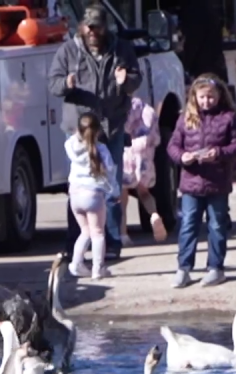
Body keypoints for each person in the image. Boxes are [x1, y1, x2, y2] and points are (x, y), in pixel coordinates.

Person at [48, 4, 142, 258]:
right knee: (79, 184)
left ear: (105, 27)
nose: (92, 31)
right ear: (82, 27)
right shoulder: (68, 50)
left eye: (97, 26)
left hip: (111, 126)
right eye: (88, 27)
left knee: (110, 185)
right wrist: (65, 84)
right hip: (80, 130)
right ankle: (74, 243)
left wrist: (127, 81)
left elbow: (136, 77)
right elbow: (52, 84)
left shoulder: (121, 48)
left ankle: (111, 243)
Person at [167, 75, 236, 288]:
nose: (206, 101)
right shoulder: (185, 118)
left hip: (217, 182)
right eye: (202, 97)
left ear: (219, 96)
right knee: (188, 225)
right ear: (194, 97)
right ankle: (184, 268)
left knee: (217, 225)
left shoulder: (228, 118)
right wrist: (182, 157)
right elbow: (173, 146)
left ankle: (216, 268)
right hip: (191, 182)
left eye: (211, 97)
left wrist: (219, 153)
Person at [66, 112, 120, 280]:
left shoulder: (71, 146)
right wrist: (115, 192)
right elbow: (111, 172)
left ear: (79, 131)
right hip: (93, 194)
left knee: (85, 231)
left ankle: (76, 264)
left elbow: (71, 139)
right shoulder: (101, 149)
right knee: (98, 233)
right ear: (98, 132)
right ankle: (98, 268)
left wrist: (78, 133)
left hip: (75, 194)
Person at [119, 95, 166, 245]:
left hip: (126, 154)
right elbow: (156, 138)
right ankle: (153, 214)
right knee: (144, 193)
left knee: (122, 197)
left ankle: (123, 233)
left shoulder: (122, 108)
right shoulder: (148, 110)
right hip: (145, 157)